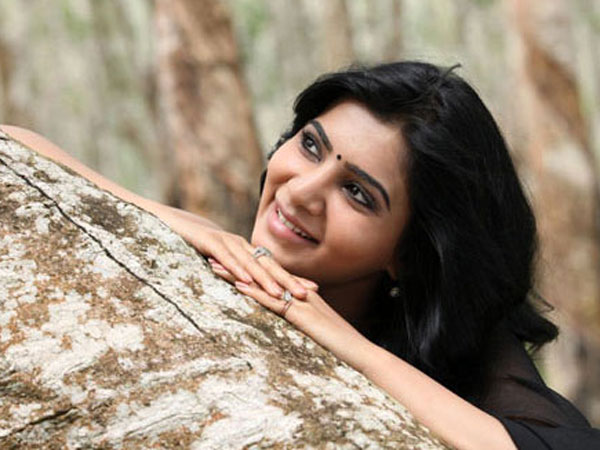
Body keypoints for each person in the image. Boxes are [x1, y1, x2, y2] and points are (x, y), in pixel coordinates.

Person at [3, 61, 599, 449]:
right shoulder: (214, 257)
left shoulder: (471, 358)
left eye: (358, 193)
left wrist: (338, 338)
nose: (302, 192)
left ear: (408, 255)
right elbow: (16, 148)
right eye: (311, 145)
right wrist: (170, 218)